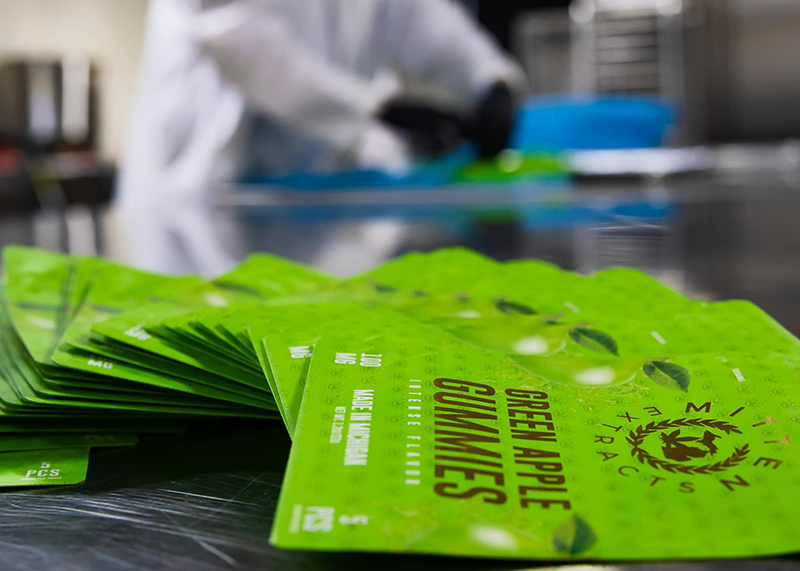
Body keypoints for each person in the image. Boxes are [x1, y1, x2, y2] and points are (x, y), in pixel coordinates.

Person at [118, 0, 523, 276]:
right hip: (200, 190)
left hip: (316, 199)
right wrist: (372, 107)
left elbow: (429, 25)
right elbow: (240, 42)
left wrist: (490, 79)